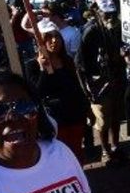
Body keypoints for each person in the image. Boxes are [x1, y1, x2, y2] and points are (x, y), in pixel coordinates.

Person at [26, 29, 91, 162]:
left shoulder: (67, 60)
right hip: (55, 118)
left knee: (77, 153)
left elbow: (76, 87)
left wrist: (87, 108)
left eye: (57, 37)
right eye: (49, 38)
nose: (54, 41)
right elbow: (37, 92)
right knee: (60, 155)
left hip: (75, 114)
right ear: (41, 42)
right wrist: (43, 69)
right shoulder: (32, 65)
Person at [77, 0, 127, 165]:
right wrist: (87, 90)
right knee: (103, 120)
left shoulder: (116, 27)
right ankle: (105, 150)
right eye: (106, 13)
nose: (110, 17)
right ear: (97, 12)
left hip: (118, 79)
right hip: (99, 84)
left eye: (113, 13)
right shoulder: (90, 31)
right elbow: (81, 64)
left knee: (116, 116)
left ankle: (115, 146)